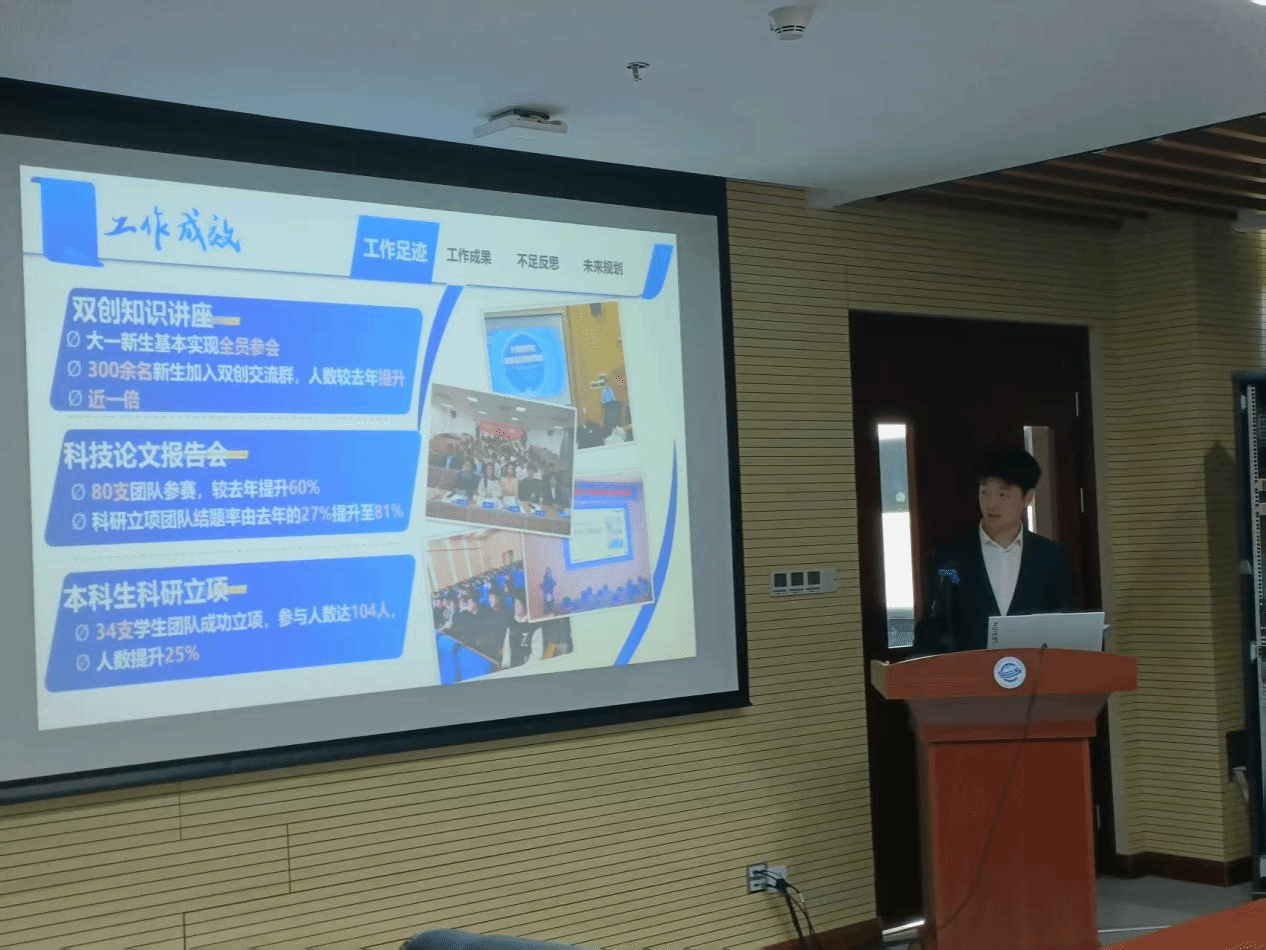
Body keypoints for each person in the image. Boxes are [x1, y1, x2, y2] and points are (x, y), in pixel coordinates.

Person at [912, 447, 1076, 655]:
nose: (991, 504)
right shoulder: (950, 559)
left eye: (1003, 494)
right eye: (984, 492)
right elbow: (935, 625)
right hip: (969, 672)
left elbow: (1065, 622)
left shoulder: (1051, 557)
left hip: (1034, 670)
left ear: (1027, 497)